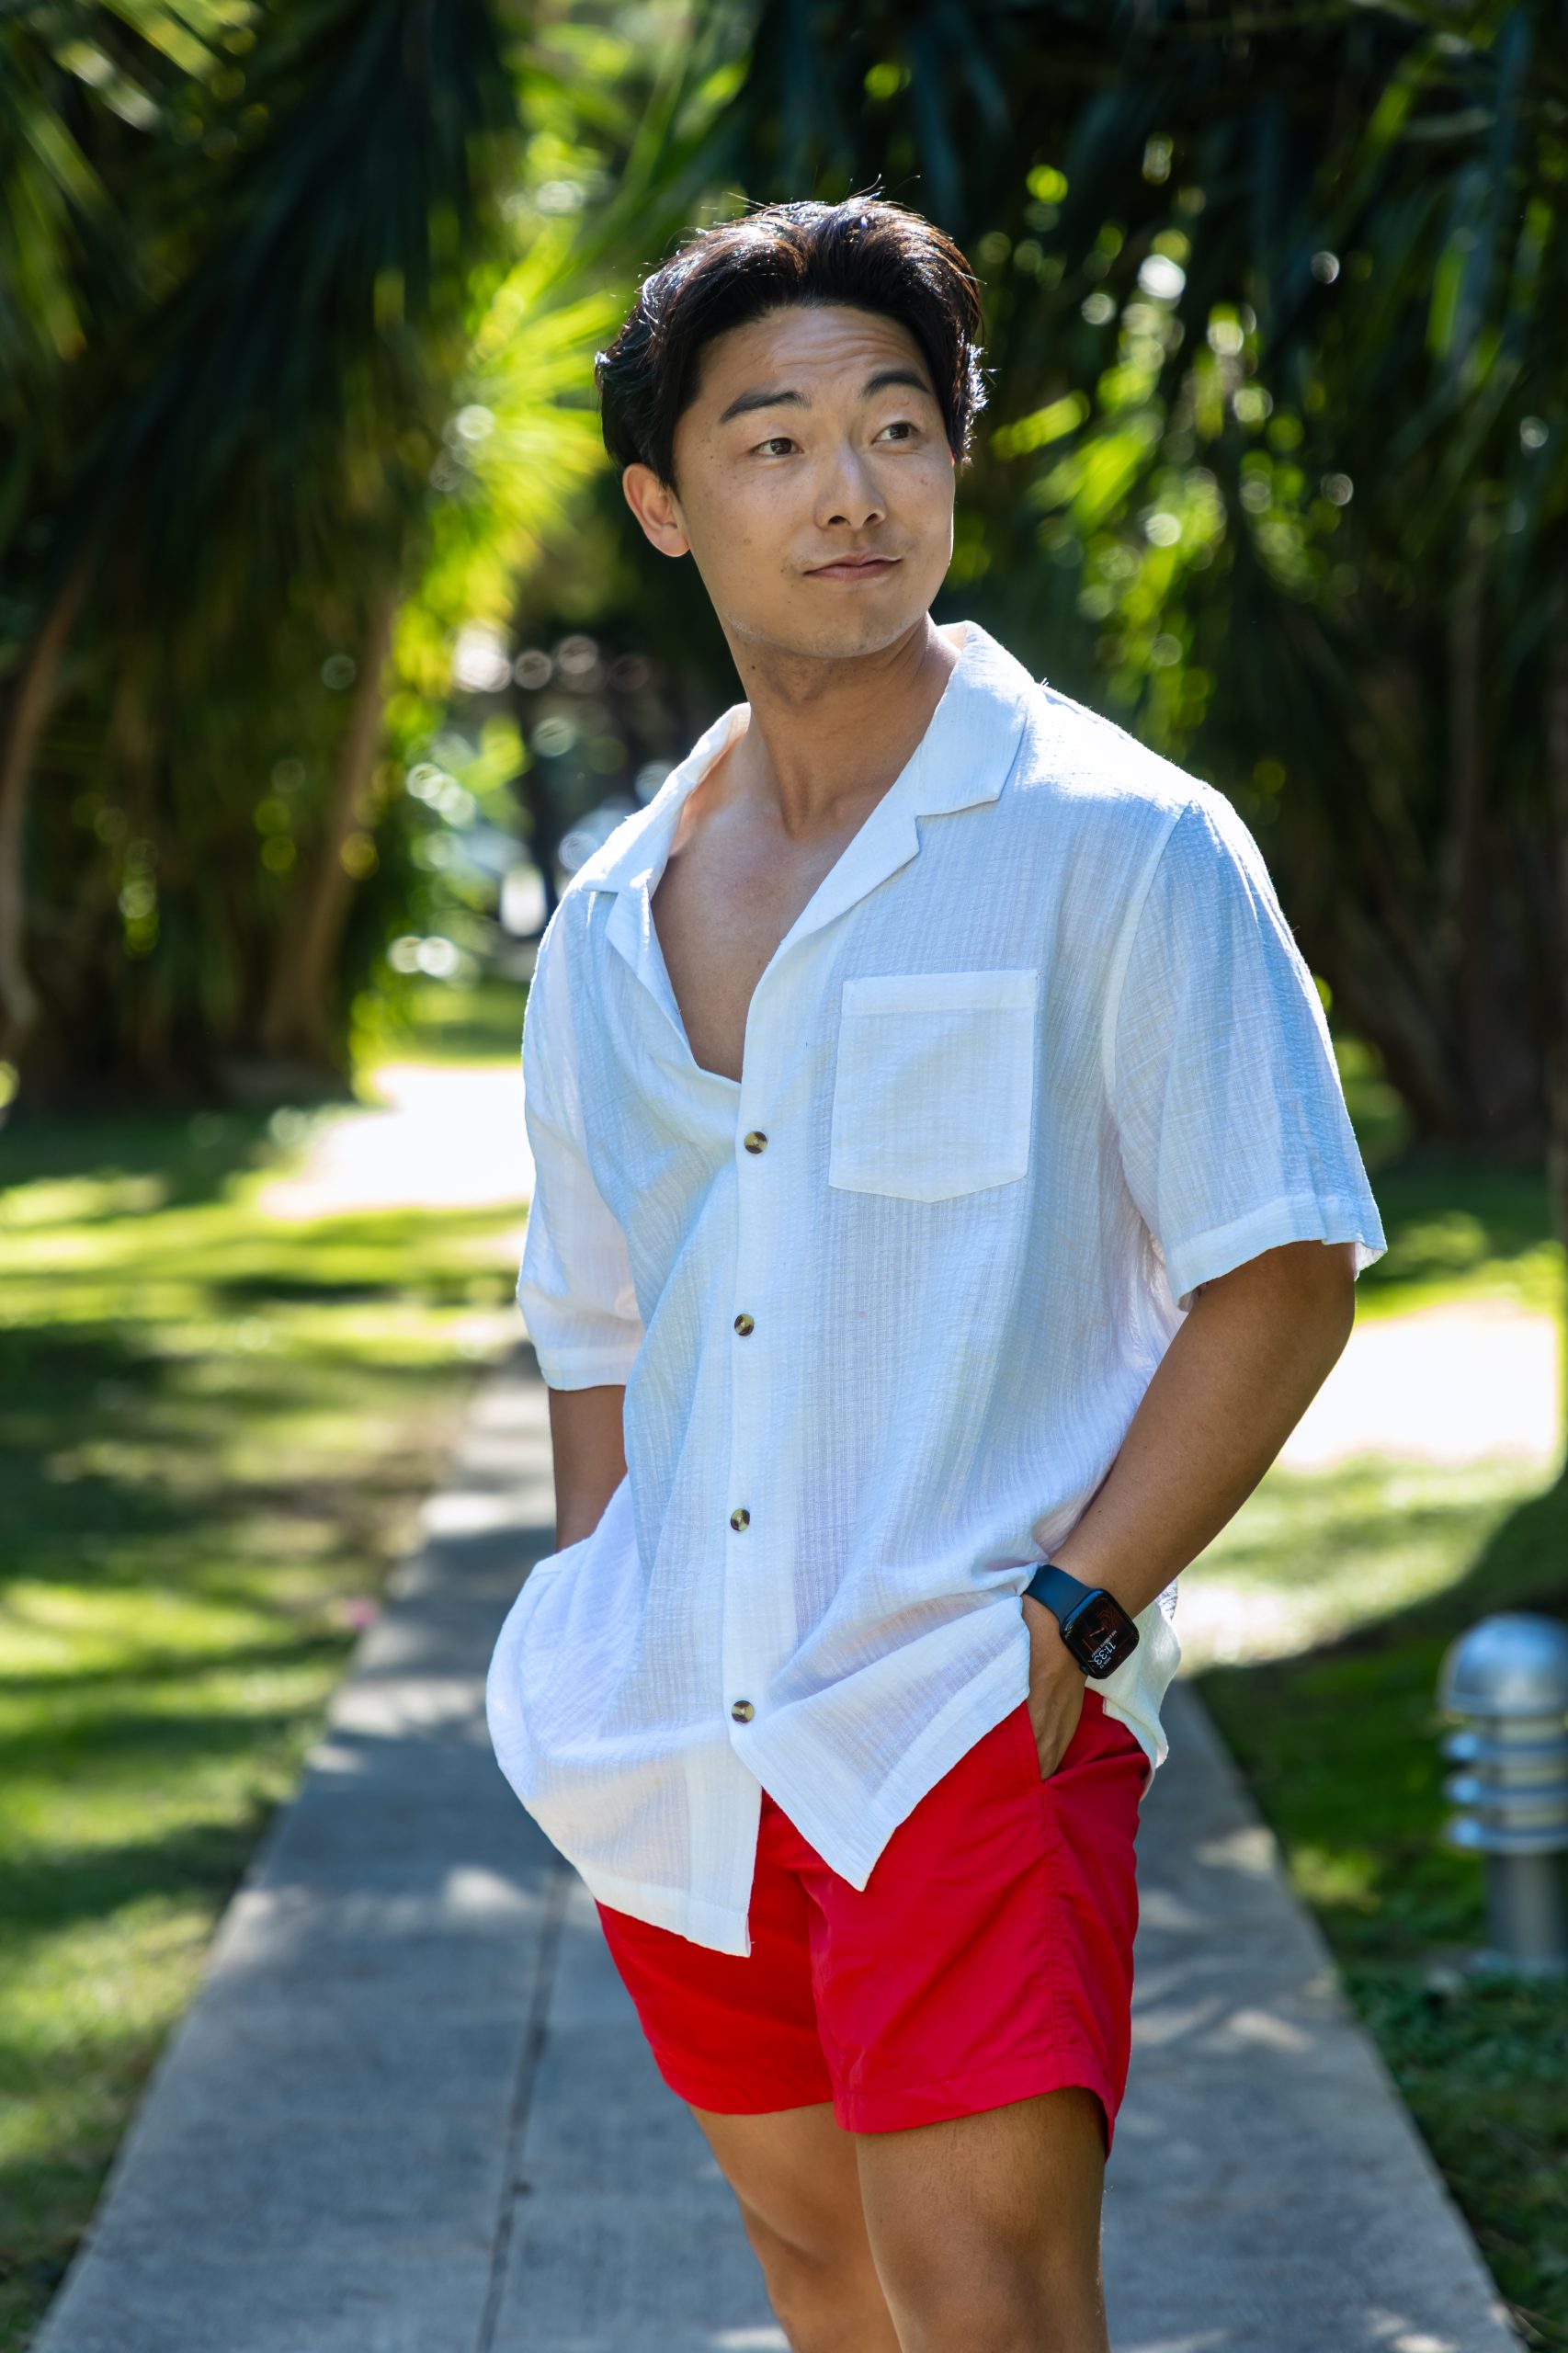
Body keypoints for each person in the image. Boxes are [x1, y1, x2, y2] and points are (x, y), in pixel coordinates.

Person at [486, 193, 1385, 2353]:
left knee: (984, 2298)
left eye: (897, 424)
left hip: (963, 1707)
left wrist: (1078, 1608)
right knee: (821, 2277)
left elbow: (1281, 1262)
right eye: (775, 439)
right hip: (684, 1728)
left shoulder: (1119, 839)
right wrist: (597, 1616)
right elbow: (598, 1314)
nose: (851, 488)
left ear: (954, 460)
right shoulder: (610, 912)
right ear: (662, 503)